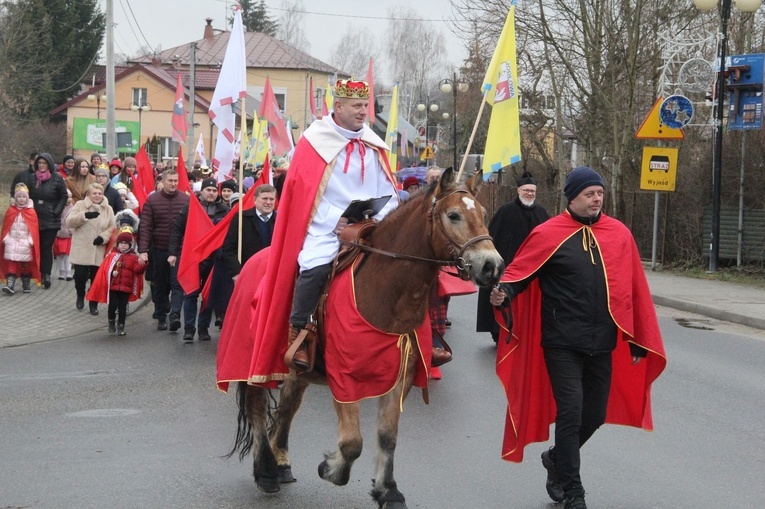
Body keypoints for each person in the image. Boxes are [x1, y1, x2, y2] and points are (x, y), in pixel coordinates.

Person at [489, 167, 667, 509]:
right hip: (561, 342)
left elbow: (631, 290)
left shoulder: (618, 233)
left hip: (602, 342)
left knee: (594, 415)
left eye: (600, 193)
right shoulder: (548, 233)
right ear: (572, 197)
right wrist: (504, 293)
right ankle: (574, 491)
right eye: (589, 194)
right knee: (570, 413)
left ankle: (556, 458)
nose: (596, 199)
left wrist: (636, 340)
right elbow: (520, 274)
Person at [246, 78, 399, 378]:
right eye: (356, 106)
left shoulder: (373, 143)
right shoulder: (314, 142)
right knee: (314, 266)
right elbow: (302, 192)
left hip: (370, 225)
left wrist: (382, 217)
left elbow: (391, 191)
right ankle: (300, 333)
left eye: (365, 106)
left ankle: (421, 337)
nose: (363, 112)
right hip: (326, 226)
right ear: (338, 106)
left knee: (408, 262)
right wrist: (334, 221)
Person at [477, 171, 549, 341]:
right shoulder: (505, 211)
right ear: (519, 191)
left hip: (533, 267)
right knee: (501, 296)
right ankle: (497, 329)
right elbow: (492, 236)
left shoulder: (542, 213)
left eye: (532, 191)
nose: (529, 194)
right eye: (526, 190)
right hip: (508, 264)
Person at [169, 177, 228, 341]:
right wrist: (173, 253)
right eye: (208, 190)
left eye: (214, 190)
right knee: (191, 293)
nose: (211, 193)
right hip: (193, 257)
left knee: (209, 295)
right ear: (201, 191)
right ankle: (189, 328)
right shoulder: (190, 208)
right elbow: (177, 231)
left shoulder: (224, 210)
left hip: (214, 258)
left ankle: (203, 328)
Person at [138, 168, 190, 331]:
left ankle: (174, 314)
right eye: (170, 181)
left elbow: (191, 226)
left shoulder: (185, 200)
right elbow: (145, 226)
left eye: (176, 181)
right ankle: (161, 315)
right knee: (160, 284)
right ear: (163, 181)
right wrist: (143, 248)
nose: (173, 184)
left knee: (177, 283)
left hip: (180, 250)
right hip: (159, 249)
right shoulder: (152, 201)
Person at [20, 153, 69, 289]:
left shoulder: (57, 179)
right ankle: (30, 273)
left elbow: (63, 196)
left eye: (44, 163)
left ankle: (46, 274)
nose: (41, 166)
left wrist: (56, 211)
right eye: (39, 163)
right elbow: (25, 195)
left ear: (49, 164)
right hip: (34, 217)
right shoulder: (32, 178)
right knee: (33, 246)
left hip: (51, 218)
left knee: (46, 248)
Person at [66, 183, 116, 314]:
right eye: (94, 193)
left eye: (100, 193)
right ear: (88, 194)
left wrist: (103, 237)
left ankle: (93, 303)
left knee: (96, 280)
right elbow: (69, 221)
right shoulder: (80, 205)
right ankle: (80, 295)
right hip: (82, 247)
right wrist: (84, 216)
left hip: (98, 248)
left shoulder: (108, 209)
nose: (97, 196)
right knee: (80, 276)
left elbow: (112, 227)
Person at [87, 227, 146, 336]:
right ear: (117, 244)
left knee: (122, 308)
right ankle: (111, 322)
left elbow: (137, 271)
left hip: (126, 287)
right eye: (121, 243)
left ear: (130, 245)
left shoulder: (133, 258)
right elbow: (105, 271)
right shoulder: (112, 256)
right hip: (113, 287)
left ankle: (121, 325)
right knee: (112, 306)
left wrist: (143, 263)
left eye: (126, 243)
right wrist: (111, 274)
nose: (123, 245)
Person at [222, 184, 276, 283]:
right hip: (247, 274)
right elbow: (229, 248)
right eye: (264, 198)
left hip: (272, 275)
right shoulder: (241, 218)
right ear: (255, 200)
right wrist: (236, 273)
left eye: (271, 199)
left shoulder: (281, 220)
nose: (268, 202)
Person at [1, 183, 41, 295]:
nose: (21, 199)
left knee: (25, 264)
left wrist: (30, 240)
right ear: (15, 197)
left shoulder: (31, 212)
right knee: (11, 262)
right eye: (19, 196)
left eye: (24, 197)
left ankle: (26, 283)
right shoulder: (11, 210)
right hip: (12, 242)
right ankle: (10, 285)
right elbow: (6, 227)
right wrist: (6, 238)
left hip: (25, 243)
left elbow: (33, 228)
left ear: (27, 198)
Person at [54, 189, 74, 281]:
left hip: (68, 235)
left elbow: (73, 222)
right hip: (58, 234)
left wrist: (71, 231)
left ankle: (68, 272)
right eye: (67, 197)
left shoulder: (73, 209)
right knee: (59, 255)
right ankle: (61, 272)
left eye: (70, 197)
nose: (68, 200)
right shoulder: (58, 208)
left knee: (68, 255)